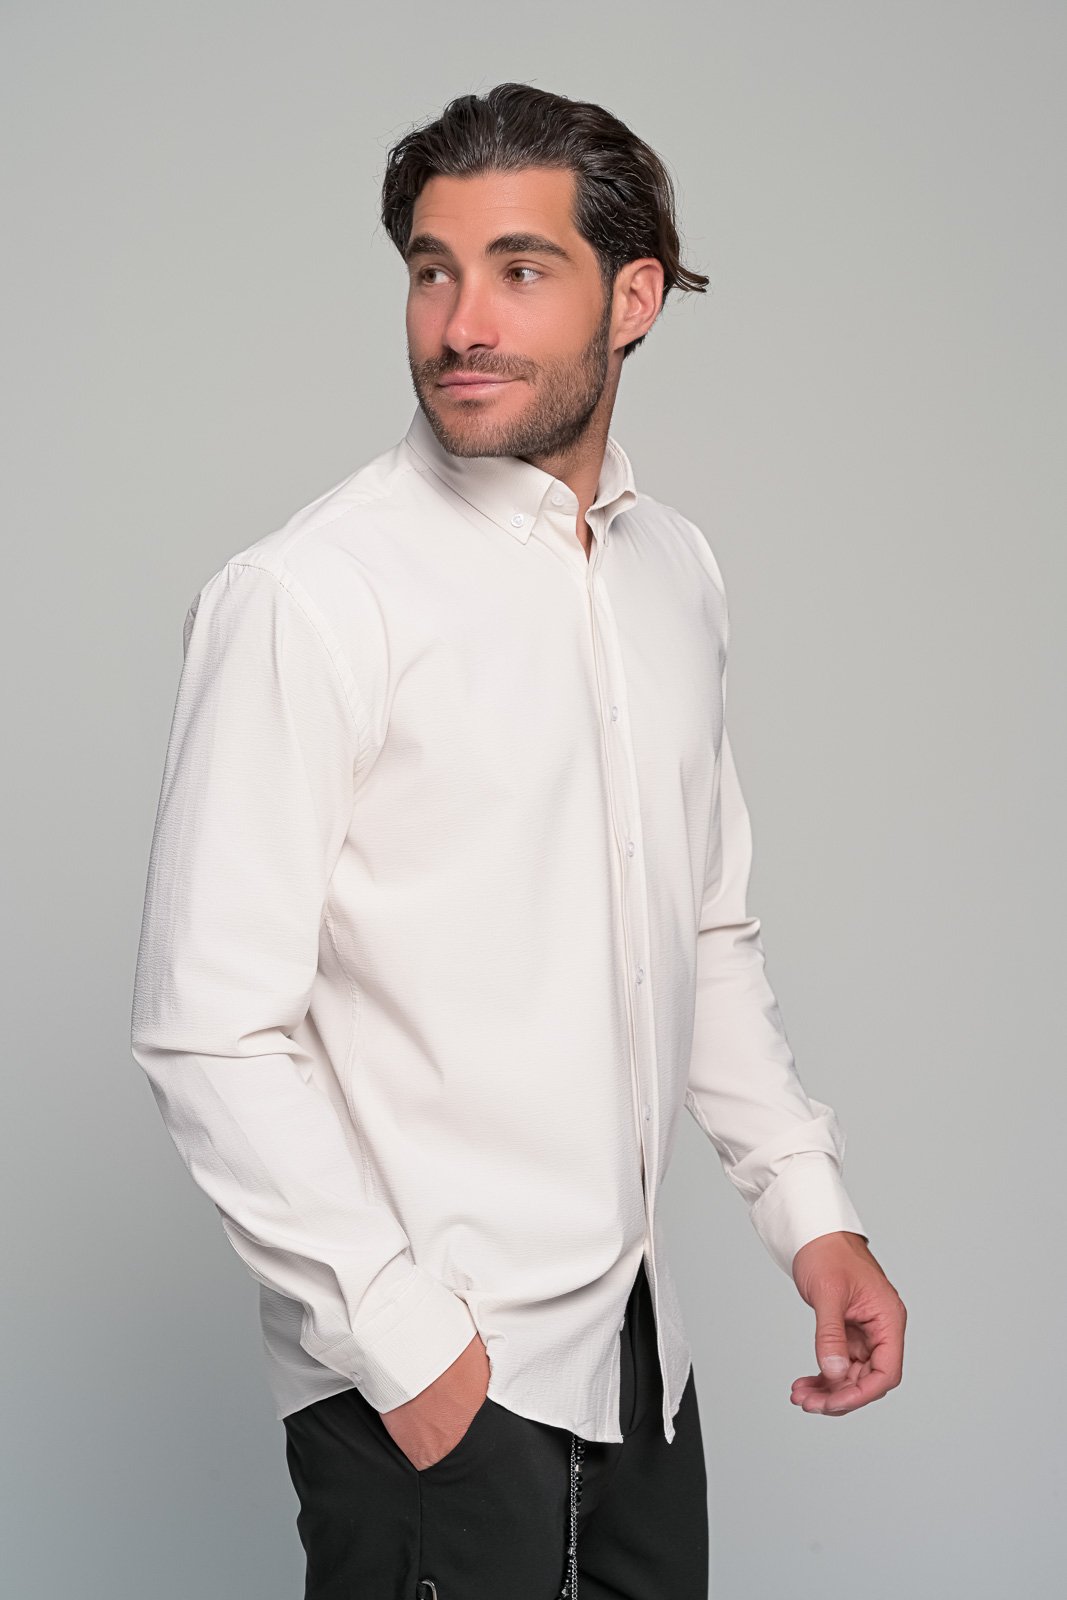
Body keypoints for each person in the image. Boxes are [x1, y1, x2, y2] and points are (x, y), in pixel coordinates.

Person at [130, 81, 906, 1600]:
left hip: (639, 1358)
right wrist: (407, 1343)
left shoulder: (674, 573)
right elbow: (204, 1026)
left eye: (519, 268)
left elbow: (699, 930)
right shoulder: (310, 598)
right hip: (433, 1385)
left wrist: (813, 1218)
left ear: (634, 299)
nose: (461, 322)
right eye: (433, 270)